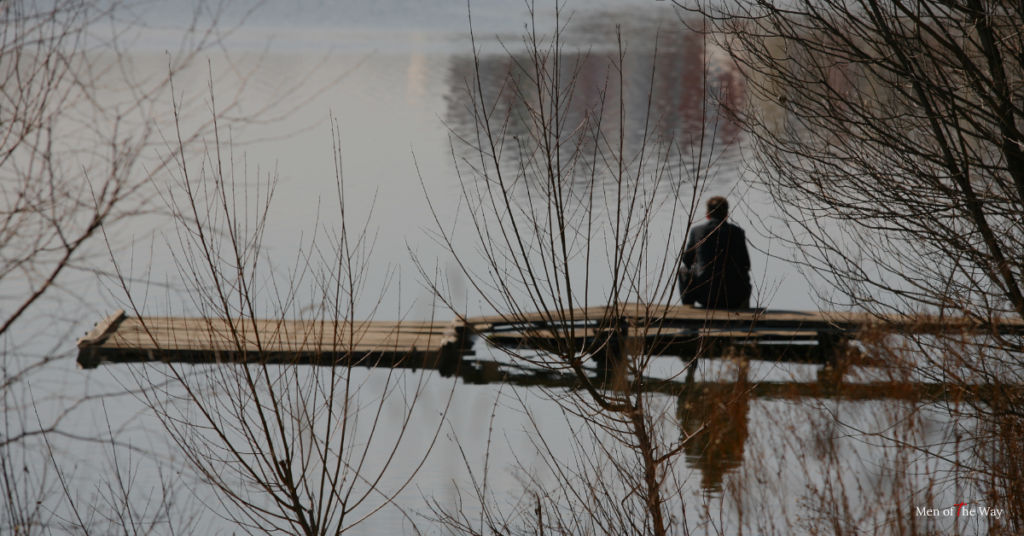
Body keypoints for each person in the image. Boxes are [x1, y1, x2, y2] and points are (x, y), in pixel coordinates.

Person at [679, 196, 752, 309]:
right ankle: (743, 307)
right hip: (733, 296)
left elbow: (686, 260)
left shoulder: (697, 231)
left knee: (684, 270)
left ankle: (688, 305)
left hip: (704, 295)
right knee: (743, 272)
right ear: (727, 214)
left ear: (707, 214)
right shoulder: (737, 232)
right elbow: (746, 264)